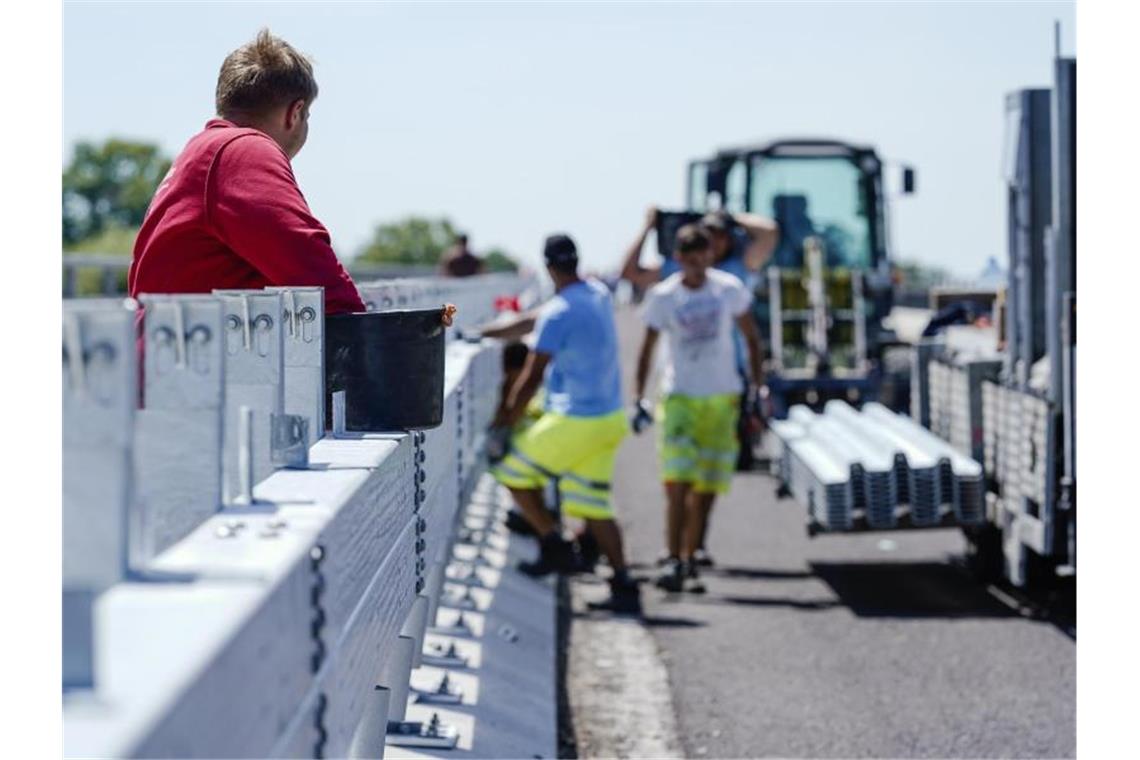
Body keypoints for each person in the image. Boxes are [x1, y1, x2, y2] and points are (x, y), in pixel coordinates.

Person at [128, 29, 365, 315]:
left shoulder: (203, 151)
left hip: (174, 349)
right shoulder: (243, 151)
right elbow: (320, 280)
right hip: (192, 356)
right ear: (295, 112)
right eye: (308, 117)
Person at [486, 234, 641, 614]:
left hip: (576, 418)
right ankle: (624, 585)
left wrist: (507, 418)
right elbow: (535, 320)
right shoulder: (598, 295)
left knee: (509, 470)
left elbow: (531, 376)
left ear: (548, 267)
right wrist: (491, 331)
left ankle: (554, 547)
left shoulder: (558, 312)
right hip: (608, 417)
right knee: (595, 505)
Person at [623, 206, 779, 544]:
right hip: (681, 391)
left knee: (709, 481)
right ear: (680, 257)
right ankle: (674, 553)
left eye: (718, 237)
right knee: (678, 478)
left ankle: (692, 549)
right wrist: (649, 227)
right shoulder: (667, 288)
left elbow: (753, 338)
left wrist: (757, 388)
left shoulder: (733, 280)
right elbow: (631, 275)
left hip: (724, 390)